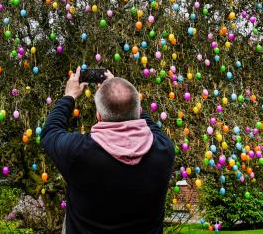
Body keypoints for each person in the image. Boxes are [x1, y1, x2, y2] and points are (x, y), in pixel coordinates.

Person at [41, 67, 175, 234]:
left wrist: (69, 96)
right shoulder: (163, 150)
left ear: (99, 116)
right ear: (138, 111)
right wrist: (117, 88)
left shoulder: (78, 153)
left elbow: (50, 132)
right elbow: (149, 124)